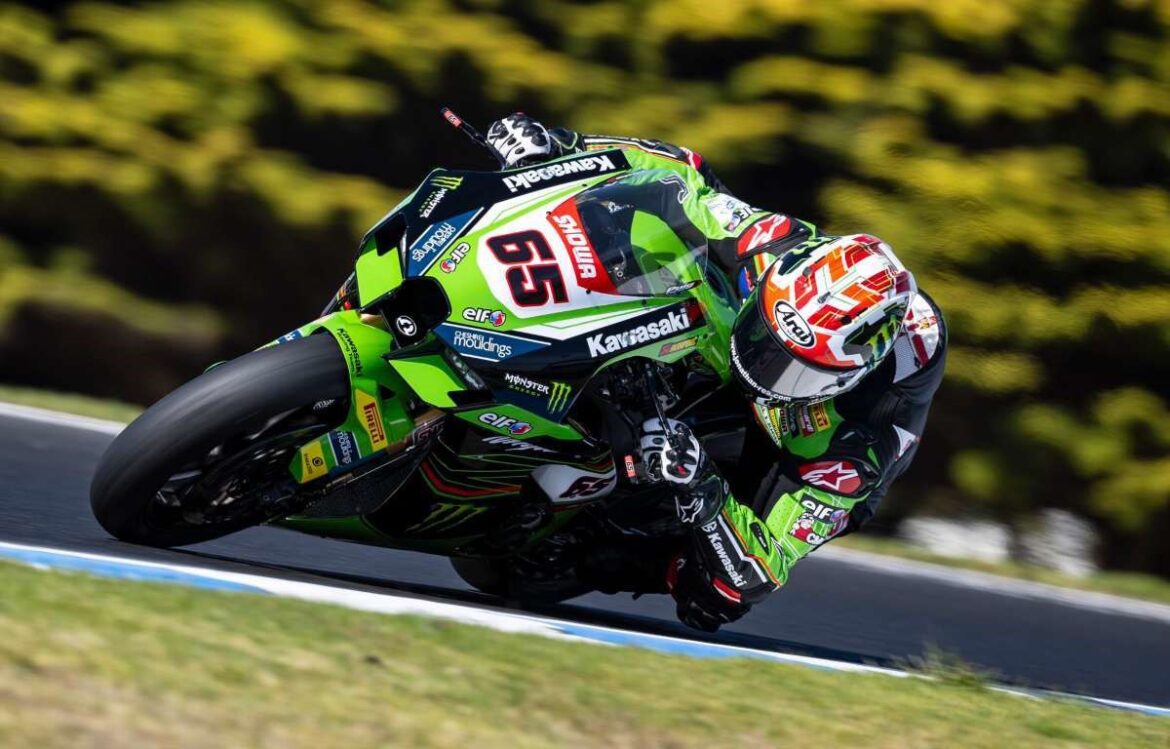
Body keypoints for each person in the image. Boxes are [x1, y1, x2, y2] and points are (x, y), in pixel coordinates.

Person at [485, 114, 947, 631]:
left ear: (847, 375)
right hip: (728, 333)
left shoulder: (858, 444)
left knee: (717, 596)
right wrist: (562, 147)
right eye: (764, 339)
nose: (762, 367)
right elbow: (680, 175)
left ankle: (611, 555)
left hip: (802, 445)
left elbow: (762, 567)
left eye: (795, 370)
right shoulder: (773, 245)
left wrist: (701, 482)